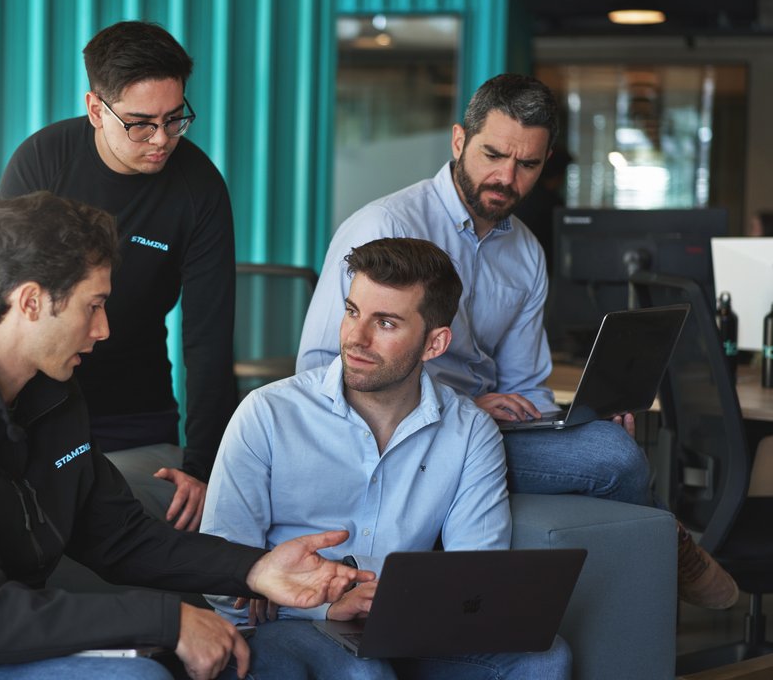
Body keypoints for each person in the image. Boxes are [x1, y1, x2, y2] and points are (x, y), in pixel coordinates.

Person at [0, 192, 371, 680]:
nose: (104, 329)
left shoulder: (54, 390)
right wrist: (167, 621)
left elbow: (120, 536)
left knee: (314, 662)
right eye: (93, 306)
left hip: (24, 649)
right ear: (30, 301)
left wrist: (255, 568)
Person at [296, 73, 739, 611]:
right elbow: (319, 367)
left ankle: (643, 574)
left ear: (545, 161)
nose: (506, 177)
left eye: (527, 164)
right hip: (405, 435)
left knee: (606, 442)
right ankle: (669, 546)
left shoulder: (526, 251)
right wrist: (458, 408)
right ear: (459, 141)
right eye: (493, 155)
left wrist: (570, 426)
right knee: (614, 458)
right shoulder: (385, 225)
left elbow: (526, 385)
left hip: (489, 433)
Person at [202, 238, 570, 678]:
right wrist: (325, 602)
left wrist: (377, 592)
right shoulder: (268, 413)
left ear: (434, 343)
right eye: (352, 312)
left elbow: (475, 577)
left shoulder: (470, 431)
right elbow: (221, 576)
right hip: (289, 624)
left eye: (386, 323)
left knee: (546, 657)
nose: (355, 338)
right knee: (364, 673)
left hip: (411, 623)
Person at [0, 20, 235, 531]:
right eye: (140, 124)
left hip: (136, 414)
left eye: (175, 119)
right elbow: (3, 302)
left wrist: (204, 465)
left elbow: (209, 337)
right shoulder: (43, 163)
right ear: (95, 109)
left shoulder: (199, 189)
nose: (162, 140)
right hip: (37, 406)